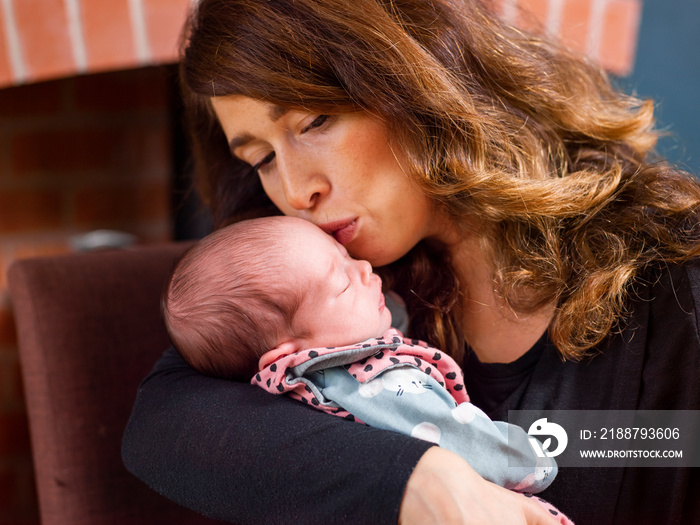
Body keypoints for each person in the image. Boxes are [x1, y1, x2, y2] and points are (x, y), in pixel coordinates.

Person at [121, 0, 700, 523]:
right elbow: (162, 422)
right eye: (263, 157)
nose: (297, 191)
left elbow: (663, 444)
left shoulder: (675, 273)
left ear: (416, 79)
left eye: (315, 121)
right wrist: (415, 478)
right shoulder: (321, 278)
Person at [161, 215, 572, 523]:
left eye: (346, 257)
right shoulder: (374, 382)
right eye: (341, 283)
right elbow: (450, 433)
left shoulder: (311, 372)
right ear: (286, 354)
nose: (362, 268)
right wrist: (528, 460)